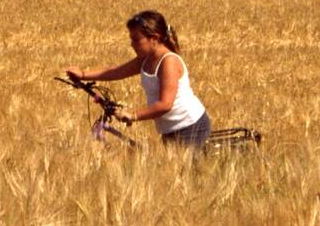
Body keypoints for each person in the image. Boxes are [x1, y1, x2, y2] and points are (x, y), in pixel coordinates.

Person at [64, 11, 213, 150]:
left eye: (136, 40)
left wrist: (133, 115)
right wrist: (83, 74)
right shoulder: (145, 59)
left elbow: (165, 104)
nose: (132, 44)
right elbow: (116, 71)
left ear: (154, 38)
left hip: (191, 126)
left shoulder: (169, 62)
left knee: (187, 173)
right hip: (170, 128)